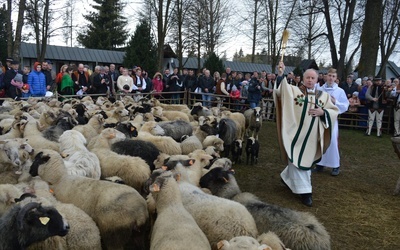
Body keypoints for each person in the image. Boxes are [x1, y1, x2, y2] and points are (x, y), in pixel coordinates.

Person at [274, 61, 339, 206]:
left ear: (317, 80)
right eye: (307, 78)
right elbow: (280, 92)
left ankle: (286, 178)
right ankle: (306, 192)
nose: (310, 80)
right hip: (295, 135)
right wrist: (280, 74)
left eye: (313, 78)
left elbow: (333, 111)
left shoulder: (323, 96)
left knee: (305, 161)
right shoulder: (294, 92)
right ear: (303, 79)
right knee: (297, 160)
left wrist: (323, 112)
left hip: (311, 137)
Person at [314, 68, 349, 176]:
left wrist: (335, 101)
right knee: (320, 141)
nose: (331, 78)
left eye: (333, 76)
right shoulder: (319, 89)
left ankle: (335, 165)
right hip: (320, 118)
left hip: (332, 119)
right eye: (329, 75)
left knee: (332, 141)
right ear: (326, 76)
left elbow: (345, 105)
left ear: (336, 78)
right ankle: (319, 164)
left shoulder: (339, 91)